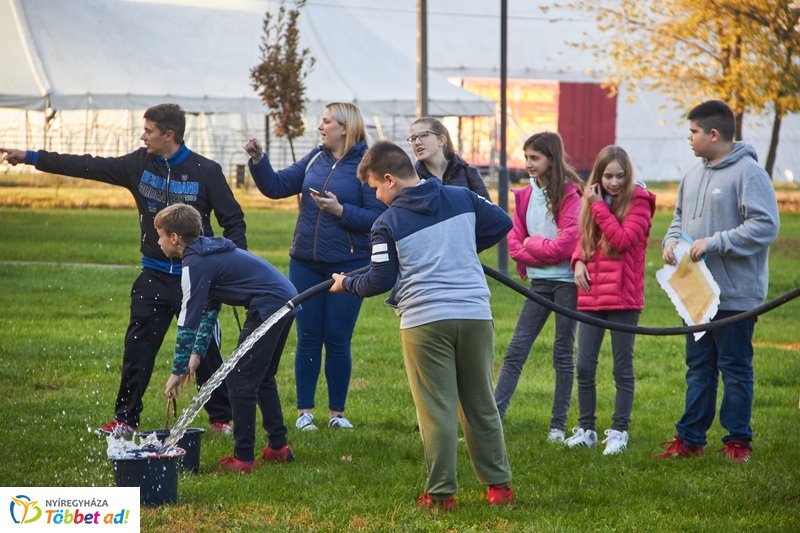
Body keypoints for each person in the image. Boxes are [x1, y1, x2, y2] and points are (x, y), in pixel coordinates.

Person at [0, 103, 239, 436]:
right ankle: (126, 419)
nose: (142, 136)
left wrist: (227, 270)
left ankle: (221, 419)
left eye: (149, 131)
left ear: (169, 135)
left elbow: (234, 222)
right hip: (153, 276)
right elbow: (88, 165)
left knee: (206, 352)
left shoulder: (206, 171)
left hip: (195, 279)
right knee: (137, 349)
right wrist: (30, 157)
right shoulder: (137, 164)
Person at [331, 141, 514, 509]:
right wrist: (459, 248)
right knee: (481, 402)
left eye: (376, 188)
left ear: (390, 179)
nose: (377, 197)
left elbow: (379, 280)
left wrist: (346, 283)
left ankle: (441, 494)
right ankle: (499, 488)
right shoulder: (462, 196)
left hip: (424, 320)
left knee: (437, 410)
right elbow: (501, 222)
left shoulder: (386, 223)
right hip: (474, 314)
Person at [245, 102, 386, 431]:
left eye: (326, 122)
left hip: (349, 266)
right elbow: (276, 186)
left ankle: (337, 414)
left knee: (337, 338)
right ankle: (304, 413)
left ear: (345, 128)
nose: (320, 127)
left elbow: (379, 217)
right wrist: (258, 160)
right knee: (307, 336)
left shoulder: (368, 165)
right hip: (304, 263)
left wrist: (341, 211)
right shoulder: (315, 159)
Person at [656, 100, 779, 464]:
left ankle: (738, 442)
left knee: (735, 368)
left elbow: (765, 226)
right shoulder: (692, 175)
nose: (689, 138)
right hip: (695, 296)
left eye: (693, 131)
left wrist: (715, 242)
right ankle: (690, 439)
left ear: (713, 134)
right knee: (699, 368)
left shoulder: (750, 173)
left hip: (735, 296)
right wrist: (670, 242)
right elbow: (678, 219)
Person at [157, 204, 297, 474]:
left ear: (174, 238)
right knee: (262, 376)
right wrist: (196, 355)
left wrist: (177, 370)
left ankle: (243, 459)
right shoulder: (205, 252)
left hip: (269, 305)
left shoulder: (195, 263)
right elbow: (210, 308)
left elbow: (188, 321)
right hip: (285, 299)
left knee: (240, 380)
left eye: (160, 235)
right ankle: (278, 448)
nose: (158, 241)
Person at [565, 145, 655, 455]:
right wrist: (578, 260)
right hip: (592, 293)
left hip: (623, 296)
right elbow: (583, 238)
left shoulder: (640, 202)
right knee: (584, 366)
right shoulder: (594, 202)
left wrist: (596, 205)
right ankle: (587, 429)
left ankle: (619, 431)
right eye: (608, 176)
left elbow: (622, 240)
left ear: (628, 176)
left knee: (621, 368)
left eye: (620, 176)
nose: (614, 183)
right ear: (599, 177)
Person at [494, 132, 583, 443]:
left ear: (551, 159)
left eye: (535, 157)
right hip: (538, 283)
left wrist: (532, 244)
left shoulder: (571, 195)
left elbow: (565, 245)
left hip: (567, 284)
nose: (529, 163)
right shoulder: (524, 195)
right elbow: (514, 243)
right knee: (516, 350)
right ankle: (493, 420)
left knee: (563, 353)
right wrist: (536, 249)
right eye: (526, 157)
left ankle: (558, 427)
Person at [408, 117, 491, 200]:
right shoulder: (412, 180)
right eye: (413, 138)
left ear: (441, 140)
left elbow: (487, 207)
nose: (417, 142)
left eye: (423, 135)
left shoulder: (469, 173)